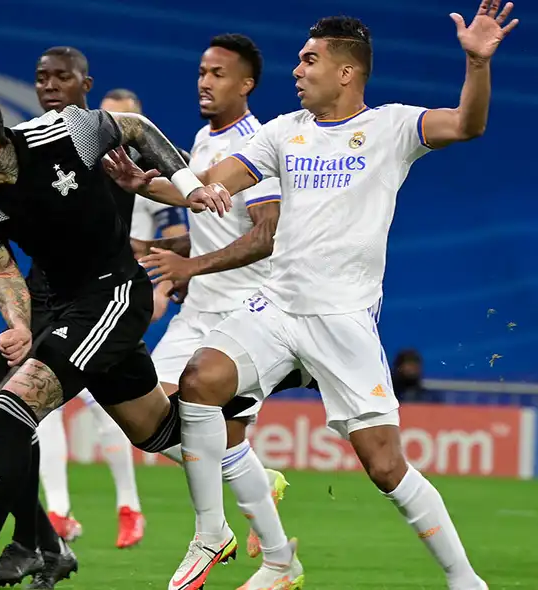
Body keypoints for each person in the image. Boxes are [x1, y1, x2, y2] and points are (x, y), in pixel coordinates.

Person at [119, 7, 517, 589]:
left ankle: (465, 581)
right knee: (202, 380)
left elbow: (466, 124)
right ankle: (211, 532)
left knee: (384, 467)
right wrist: (155, 185)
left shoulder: (391, 127)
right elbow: (218, 181)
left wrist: (476, 63)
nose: (298, 71)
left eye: (310, 61)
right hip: (276, 310)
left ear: (348, 72)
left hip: (342, 319)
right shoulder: (284, 131)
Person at [0, 82, 212, 590]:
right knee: (158, 431)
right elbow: (1, 267)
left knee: (9, 411)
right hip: (56, 306)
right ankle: (243, 461)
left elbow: (138, 129)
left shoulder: (65, 133)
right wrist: (17, 324)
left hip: (115, 295)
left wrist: (189, 184)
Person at [106, 34, 302, 587]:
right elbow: (203, 208)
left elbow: (265, 236)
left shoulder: (256, 144)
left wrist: (193, 267)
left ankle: (268, 557)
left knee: (213, 434)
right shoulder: (200, 139)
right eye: (201, 70)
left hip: (245, 315)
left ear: (246, 85)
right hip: (197, 315)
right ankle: (256, 487)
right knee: (147, 421)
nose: (204, 80)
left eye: (218, 73)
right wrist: (144, 185)